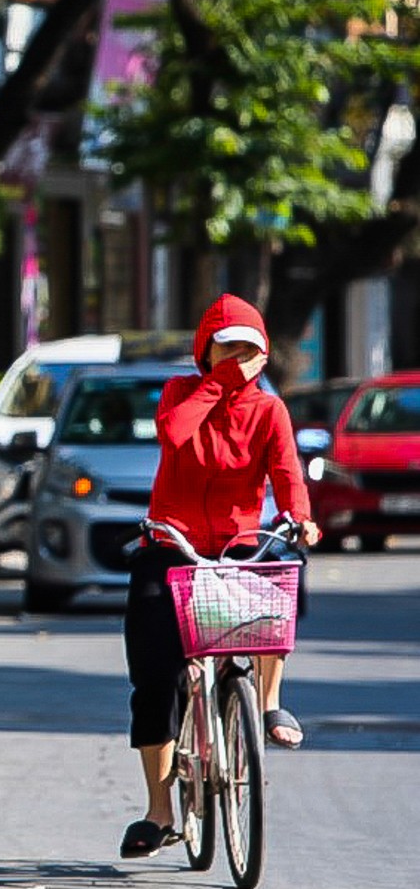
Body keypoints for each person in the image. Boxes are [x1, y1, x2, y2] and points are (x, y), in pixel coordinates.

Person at [119, 294, 322, 859]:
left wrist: (301, 520)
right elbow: (176, 436)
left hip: (236, 546)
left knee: (280, 580)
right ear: (205, 353)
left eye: (247, 351)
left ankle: (268, 701)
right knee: (154, 679)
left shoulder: (269, 411)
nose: (237, 360)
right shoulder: (182, 394)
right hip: (172, 544)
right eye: (225, 349)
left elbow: (287, 473)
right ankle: (160, 813)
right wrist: (216, 385)